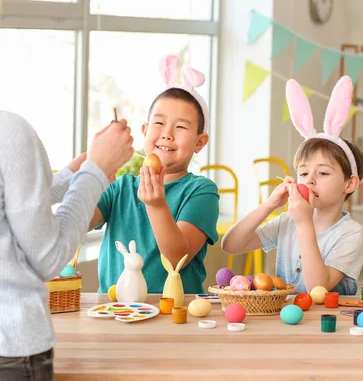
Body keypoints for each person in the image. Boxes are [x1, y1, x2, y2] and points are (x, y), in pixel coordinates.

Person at [0, 110, 133, 380]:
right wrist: (94, 171)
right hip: (11, 346)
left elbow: (12, 199)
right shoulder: (9, 130)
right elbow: (49, 258)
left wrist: (81, 170)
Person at [222, 76, 363, 295]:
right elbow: (231, 245)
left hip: (330, 325)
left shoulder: (351, 234)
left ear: (350, 183)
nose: (309, 180)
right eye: (303, 172)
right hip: (286, 322)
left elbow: (317, 289)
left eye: (323, 172)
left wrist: (304, 223)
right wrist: (268, 206)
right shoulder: (286, 222)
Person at [89, 54, 219, 294]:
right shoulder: (121, 188)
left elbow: (177, 258)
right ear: (145, 131)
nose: (167, 134)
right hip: (114, 314)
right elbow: (77, 222)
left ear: (200, 142)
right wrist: (93, 172)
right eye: (159, 124)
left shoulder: (202, 191)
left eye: (180, 127)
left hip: (174, 318)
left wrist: (156, 205)